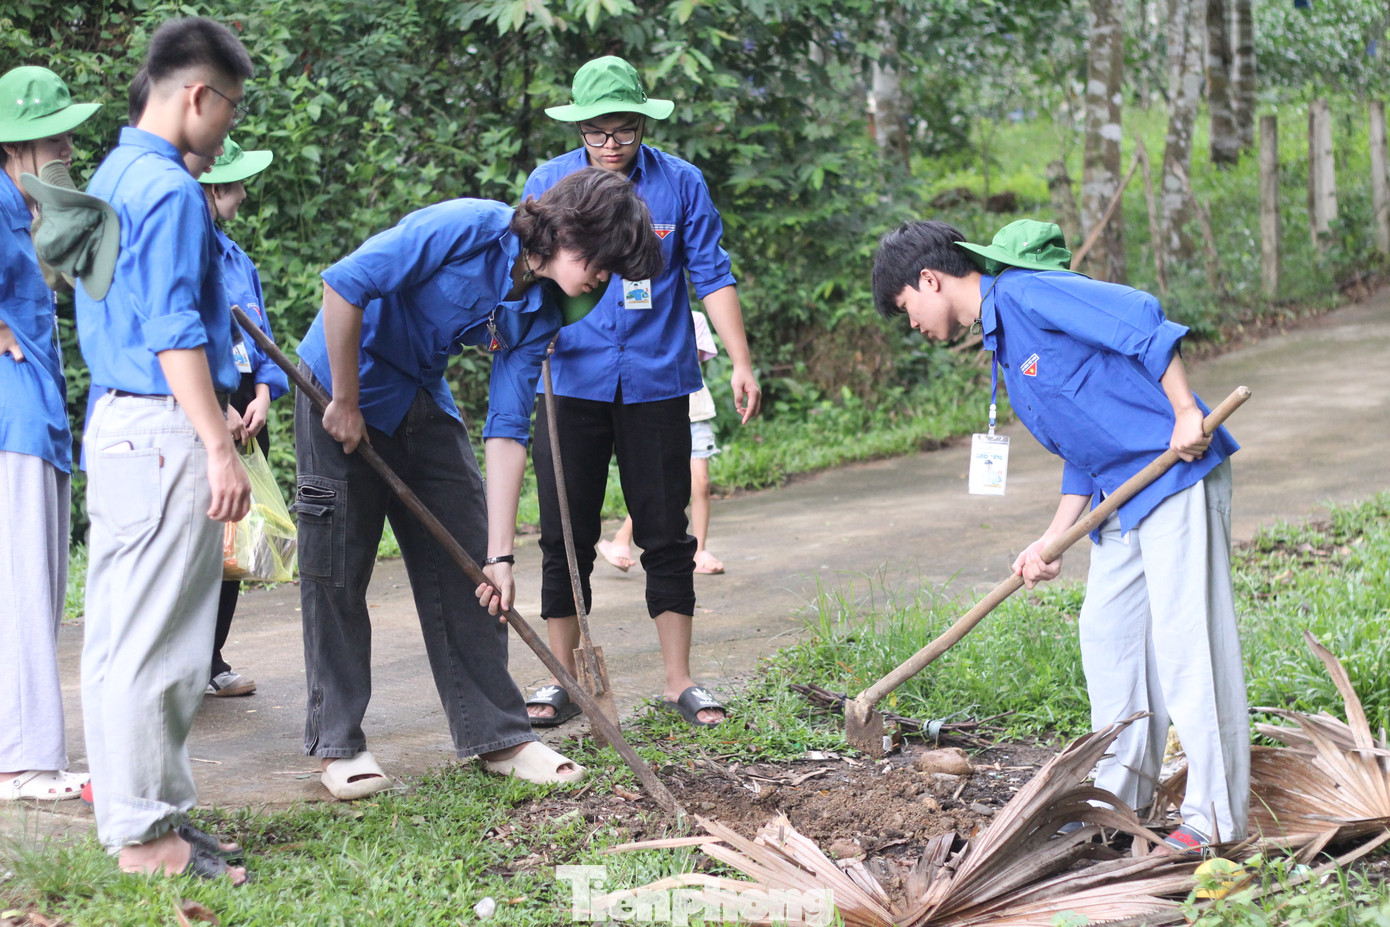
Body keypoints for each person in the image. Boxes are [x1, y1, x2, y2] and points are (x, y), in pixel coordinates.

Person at [871, 218, 1249, 854]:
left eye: (907, 308)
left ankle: (1215, 824)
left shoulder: (1025, 294)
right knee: (1110, 635)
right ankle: (1120, 801)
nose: (913, 324)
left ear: (929, 280)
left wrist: (1186, 411)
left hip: (1174, 475)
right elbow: (1083, 444)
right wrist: (1051, 538)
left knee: (1190, 646)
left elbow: (1141, 316)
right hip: (1119, 499)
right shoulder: (1005, 343)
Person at [294, 167, 662, 799]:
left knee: (467, 564)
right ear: (573, 230)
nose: (604, 279)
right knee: (337, 569)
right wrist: (346, 401)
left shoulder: (547, 307)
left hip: (418, 391)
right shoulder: (466, 226)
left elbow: (507, 426)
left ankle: (498, 735)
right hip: (338, 382)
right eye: (604, 263)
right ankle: (339, 743)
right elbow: (344, 285)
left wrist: (499, 556)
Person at [523, 56, 761, 730]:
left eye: (622, 134)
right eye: (596, 135)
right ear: (578, 129)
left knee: (665, 530)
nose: (608, 148)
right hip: (569, 380)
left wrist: (740, 361)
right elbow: (523, 273)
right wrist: (523, 332)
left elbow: (713, 275)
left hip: (657, 381)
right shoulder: (549, 183)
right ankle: (561, 678)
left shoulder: (681, 184)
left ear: (641, 125)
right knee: (563, 533)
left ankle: (679, 680)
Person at [74, 17, 254, 883]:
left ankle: (146, 816)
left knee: (116, 634)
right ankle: (150, 840)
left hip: (112, 420)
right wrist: (218, 445)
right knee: (161, 642)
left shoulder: (108, 176)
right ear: (197, 95)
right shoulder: (174, 191)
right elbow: (175, 327)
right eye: (231, 112)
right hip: (161, 423)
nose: (228, 132)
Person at [0, 65, 100, 803]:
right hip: (16, 419)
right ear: (24, 141)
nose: (68, 143)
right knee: (26, 587)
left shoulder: (23, 205)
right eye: (57, 133)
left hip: (39, 414)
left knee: (37, 583)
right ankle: (26, 761)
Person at [187, 137, 286, 698]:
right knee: (196, 539)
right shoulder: (186, 253)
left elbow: (262, 337)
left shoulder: (237, 259)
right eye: (237, 182)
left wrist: (265, 394)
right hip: (206, 404)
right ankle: (181, 662)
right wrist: (217, 404)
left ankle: (211, 659)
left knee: (235, 541)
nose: (244, 193)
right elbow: (185, 339)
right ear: (209, 186)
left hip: (247, 407)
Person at [598, 310, 725, 575]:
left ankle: (699, 550)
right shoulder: (640, 315)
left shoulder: (695, 318)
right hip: (654, 408)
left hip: (694, 411)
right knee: (658, 487)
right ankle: (622, 539)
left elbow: (693, 356)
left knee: (700, 482)